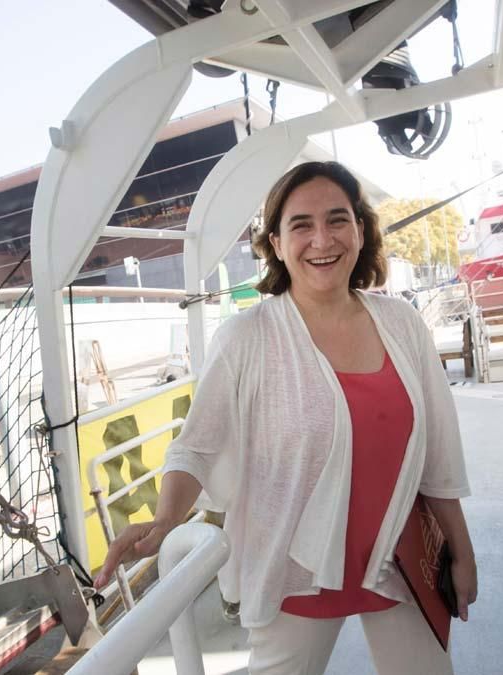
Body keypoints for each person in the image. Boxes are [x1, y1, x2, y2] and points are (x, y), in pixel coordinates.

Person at [96, 162, 476, 675]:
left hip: (399, 557)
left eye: (338, 220)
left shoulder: (401, 324)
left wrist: (460, 546)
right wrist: (165, 521)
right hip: (295, 569)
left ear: (360, 231)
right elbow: (197, 447)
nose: (322, 238)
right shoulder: (246, 338)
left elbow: (437, 453)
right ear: (275, 242)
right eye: (301, 225)